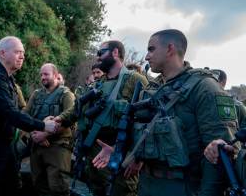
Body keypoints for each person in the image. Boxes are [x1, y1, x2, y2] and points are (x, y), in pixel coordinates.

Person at [93, 29, 238, 196]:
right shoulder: (152, 88)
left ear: (170, 49)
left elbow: (222, 155)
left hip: (183, 187)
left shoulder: (204, 88)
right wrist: (120, 150)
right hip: (146, 184)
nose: (147, 56)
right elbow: (146, 135)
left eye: (151, 49)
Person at [57, 40, 148, 196]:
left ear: (115, 53)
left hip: (118, 153)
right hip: (93, 151)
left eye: (101, 53)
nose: (97, 57)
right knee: (96, 190)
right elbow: (78, 109)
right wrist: (58, 120)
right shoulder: (98, 84)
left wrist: (137, 158)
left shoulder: (136, 80)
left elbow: (146, 123)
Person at [0, 36, 58, 196]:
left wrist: (37, 125)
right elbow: (10, 113)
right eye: (18, 52)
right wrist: (43, 125)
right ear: (3, 53)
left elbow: (20, 112)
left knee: (12, 187)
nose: (22, 56)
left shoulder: (8, 79)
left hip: (5, 144)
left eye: (23, 53)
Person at [24, 63, 75, 196]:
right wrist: (33, 135)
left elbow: (69, 119)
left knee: (58, 187)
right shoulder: (36, 94)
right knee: (39, 185)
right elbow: (24, 116)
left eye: (46, 74)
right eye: (41, 74)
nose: (43, 77)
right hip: (37, 146)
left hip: (57, 148)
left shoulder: (66, 94)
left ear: (56, 75)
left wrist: (44, 135)